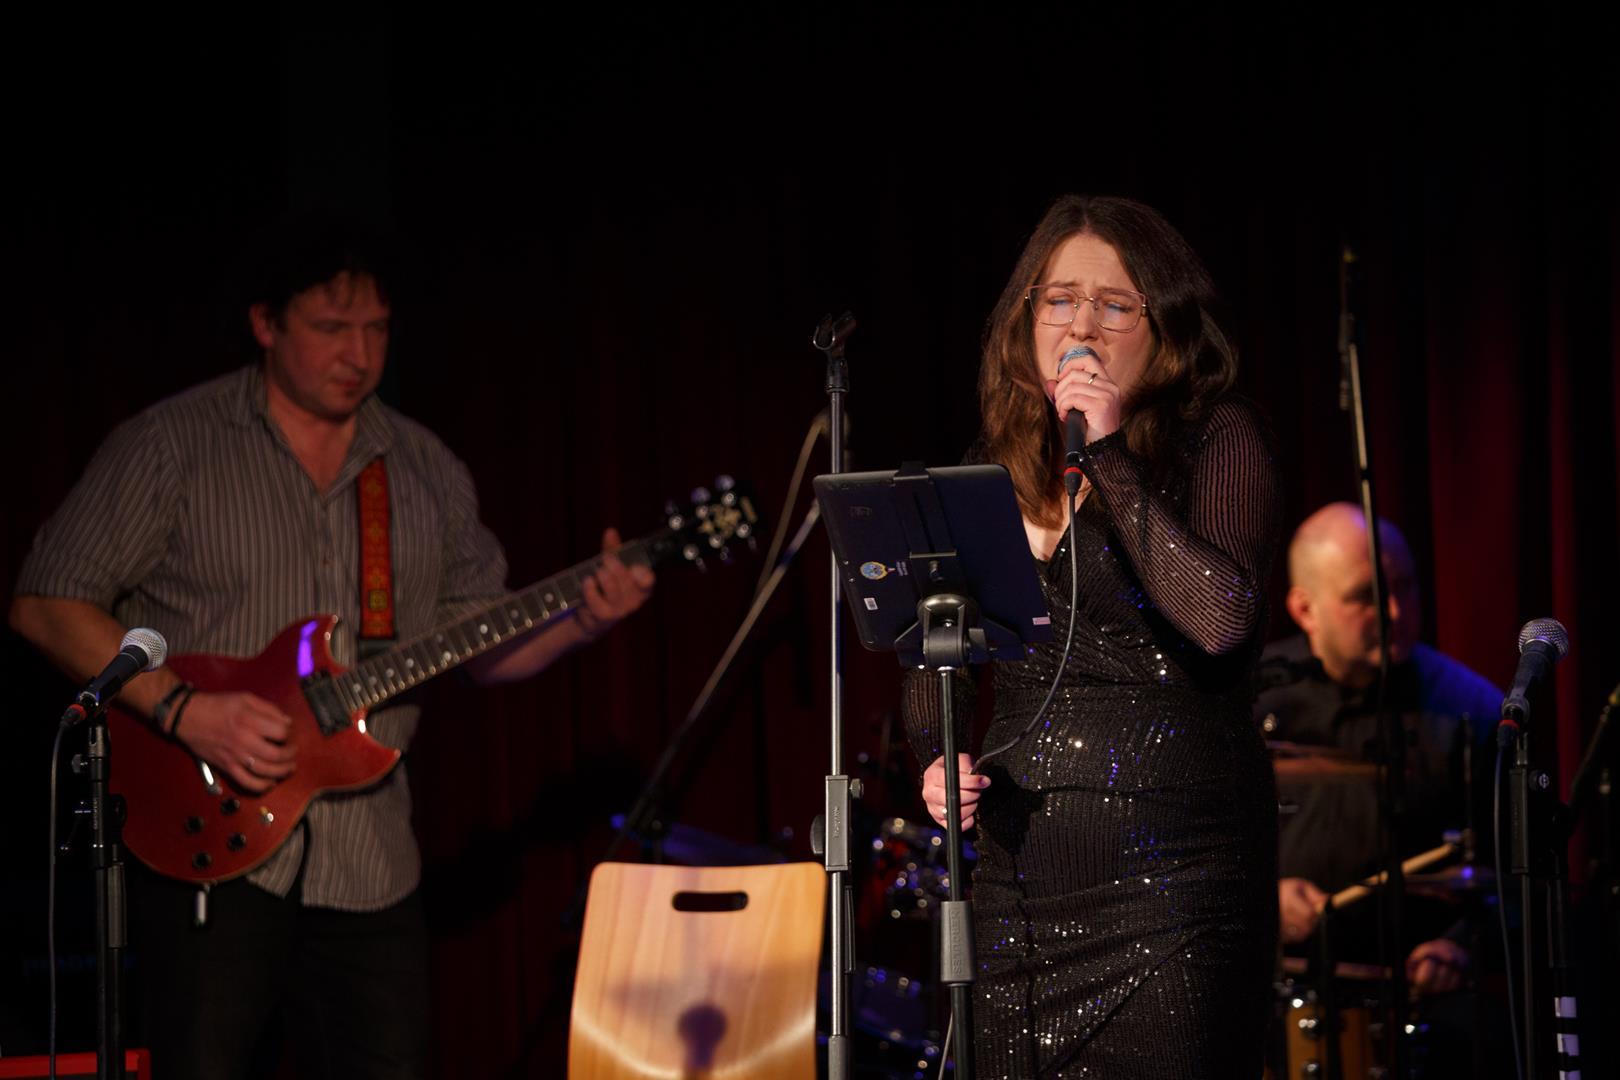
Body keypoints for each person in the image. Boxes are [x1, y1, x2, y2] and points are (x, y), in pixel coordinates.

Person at [8, 214, 654, 1080]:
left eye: (377, 329)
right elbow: (46, 604)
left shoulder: (424, 470)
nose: (359, 353)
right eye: (330, 327)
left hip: (370, 863)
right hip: (208, 850)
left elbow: (482, 648)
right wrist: (183, 710)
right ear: (265, 323)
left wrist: (584, 620)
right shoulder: (171, 446)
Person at [904, 194, 1282, 1077]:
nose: (1082, 326)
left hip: (1176, 891)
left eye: (1115, 304)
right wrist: (936, 758)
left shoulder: (1216, 436)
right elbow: (935, 651)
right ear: (1027, 317)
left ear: (1166, 328)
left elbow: (1222, 618)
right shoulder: (992, 464)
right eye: (1061, 300)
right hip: (1020, 891)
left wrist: (1108, 457)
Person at [1258, 502, 1503, 996]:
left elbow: (1517, 873)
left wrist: (1460, 944)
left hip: (1420, 1001)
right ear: (1305, 610)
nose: (1396, 611)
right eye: (1365, 597)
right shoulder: (1252, 698)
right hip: (1278, 996)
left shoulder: (1472, 709)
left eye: (1406, 586)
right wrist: (1259, 901)